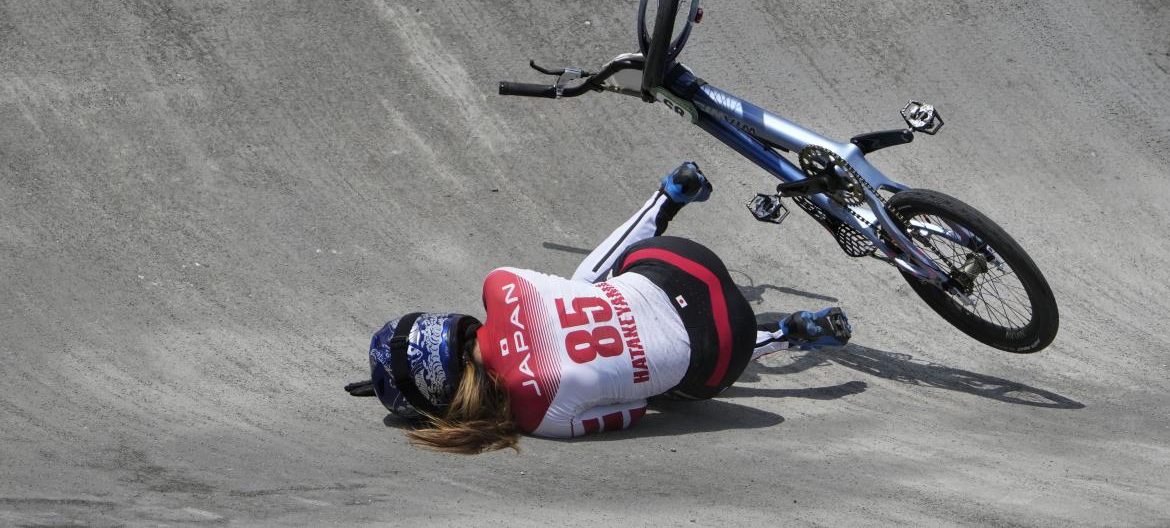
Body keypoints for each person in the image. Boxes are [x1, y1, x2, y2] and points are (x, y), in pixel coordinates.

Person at [346, 163, 851, 453]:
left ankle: (789, 333)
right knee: (583, 284)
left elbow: (635, 410)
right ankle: (665, 198)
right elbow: (577, 298)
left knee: (664, 382)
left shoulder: (536, 417)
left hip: (725, 349)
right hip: (685, 264)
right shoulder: (501, 284)